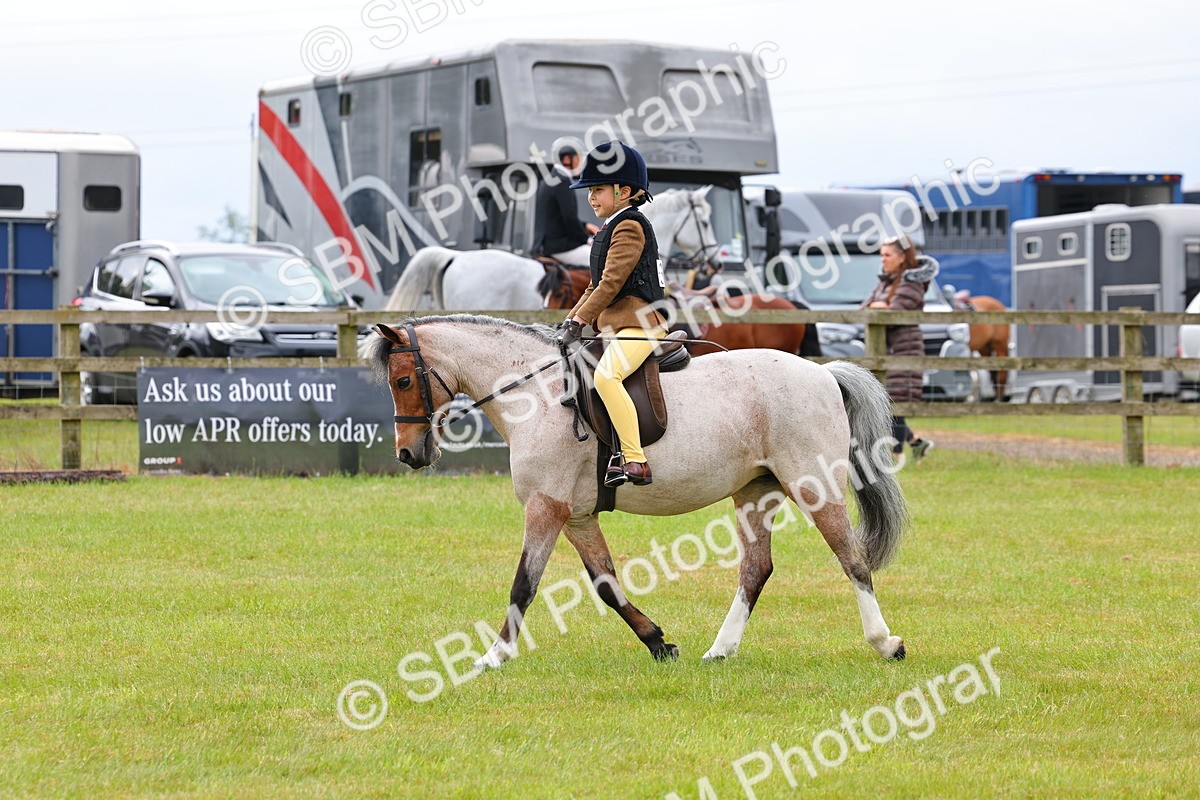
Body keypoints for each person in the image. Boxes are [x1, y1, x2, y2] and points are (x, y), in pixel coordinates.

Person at [557, 140, 667, 487]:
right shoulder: (609, 229)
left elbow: (611, 285)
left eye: (599, 190)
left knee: (606, 376)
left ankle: (635, 460)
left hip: (640, 325)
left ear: (625, 192)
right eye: (590, 191)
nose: (591, 198)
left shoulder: (630, 227)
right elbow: (594, 287)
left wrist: (579, 321)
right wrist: (570, 320)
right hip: (616, 327)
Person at [862, 235, 936, 460]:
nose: (882, 260)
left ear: (902, 257)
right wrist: (878, 305)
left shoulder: (911, 283)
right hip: (886, 350)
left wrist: (882, 308)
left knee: (895, 403)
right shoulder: (886, 281)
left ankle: (895, 455)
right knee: (887, 401)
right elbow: (864, 307)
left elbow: (894, 313)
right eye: (881, 255)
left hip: (905, 349)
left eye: (887, 255)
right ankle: (916, 443)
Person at [532, 143, 599, 267]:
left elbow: (556, 216)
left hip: (545, 244)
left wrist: (585, 225)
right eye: (579, 159)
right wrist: (587, 239)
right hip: (560, 246)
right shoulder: (563, 181)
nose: (582, 163)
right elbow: (569, 218)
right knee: (602, 260)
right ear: (567, 159)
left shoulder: (549, 179)